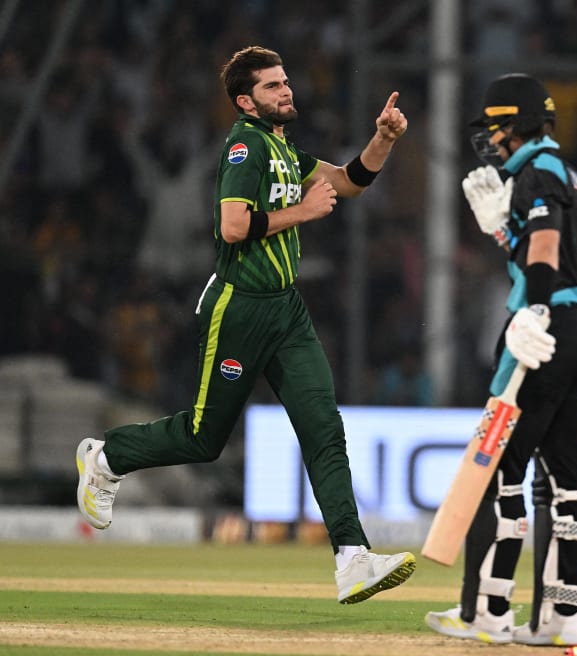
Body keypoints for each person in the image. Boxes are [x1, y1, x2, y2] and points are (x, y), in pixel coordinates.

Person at [74, 46, 416, 604]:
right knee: (203, 438)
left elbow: (349, 182)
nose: (286, 90)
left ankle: (352, 558)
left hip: (285, 308)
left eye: (286, 81)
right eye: (273, 85)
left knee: (323, 429)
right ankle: (106, 457)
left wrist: (384, 139)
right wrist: (302, 213)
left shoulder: (282, 147)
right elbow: (233, 227)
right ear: (245, 100)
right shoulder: (244, 146)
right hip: (240, 307)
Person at [425, 73, 577, 646]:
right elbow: (555, 255)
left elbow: (548, 252)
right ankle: (564, 617)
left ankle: (489, 613)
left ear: (516, 123)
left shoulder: (537, 172)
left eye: (496, 126)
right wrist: (504, 232)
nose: (491, 139)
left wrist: (533, 310)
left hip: (544, 330)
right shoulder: (573, 177)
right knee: (567, 481)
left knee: (502, 470)